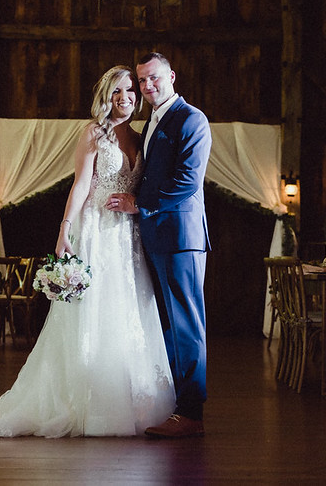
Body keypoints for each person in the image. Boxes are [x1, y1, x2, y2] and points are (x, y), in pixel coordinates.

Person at [0, 66, 175, 438]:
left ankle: (128, 401)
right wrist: (65, 228)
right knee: (93, 311)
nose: (125, 97)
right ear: (106, 96)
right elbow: (81, 185)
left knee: (128, 309)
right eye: (117, 91)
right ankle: (87, 402)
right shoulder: (93, 133)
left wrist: (137, 206)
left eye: (130, 90)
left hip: (127, 236)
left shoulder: (141, 138)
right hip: (96, 230)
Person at [107, 52, 211, 439]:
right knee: (166, 324)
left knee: (186, 326)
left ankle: (191, 413)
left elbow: (188, 181)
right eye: (142, 80)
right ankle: (175, 406)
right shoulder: (153, 120)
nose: (148, 86)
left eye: (154, 78)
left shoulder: (191, 119)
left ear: (171, 76)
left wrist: (139, 204)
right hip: (154, 236)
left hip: (181, 238)